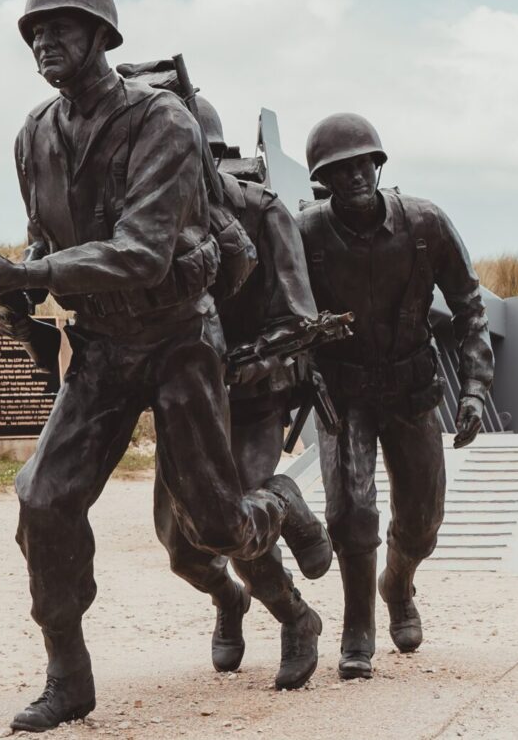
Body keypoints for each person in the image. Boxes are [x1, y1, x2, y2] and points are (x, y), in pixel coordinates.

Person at [0, 0, 331, 732]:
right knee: (42, 499)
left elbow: (143, 252)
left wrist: (31, 274)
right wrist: (12, 284)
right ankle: (69, 676)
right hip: (101, 345)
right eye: (34, 33)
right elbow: (46, 239)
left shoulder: (162, 121)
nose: (44, 43)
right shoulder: (34, 133)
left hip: (177, 340)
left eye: (60, 28)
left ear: (102, 35)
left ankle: (284, 536)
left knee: (214, 525)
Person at [298, 113, 494, 680]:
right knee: (350, 513)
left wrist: (475, 387)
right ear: (324, 180)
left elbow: (469, 307)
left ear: (378, 166)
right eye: (341, 169)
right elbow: (283, 311)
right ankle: (357, 626)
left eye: (364, 164)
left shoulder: (425, 224)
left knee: (423, 520)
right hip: (344, 393)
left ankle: (398, 584)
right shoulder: (305, 234)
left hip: (411, 389)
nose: (356, 176)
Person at [152, 96, 324, 690]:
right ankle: (229, 599)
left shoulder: (262, 211)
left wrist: (253, 361)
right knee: (180, 548)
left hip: (252, 398)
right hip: (186, 405)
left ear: (212, 154)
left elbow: (300, 316)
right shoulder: (147, 221)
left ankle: (296, 617)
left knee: (235, 519)